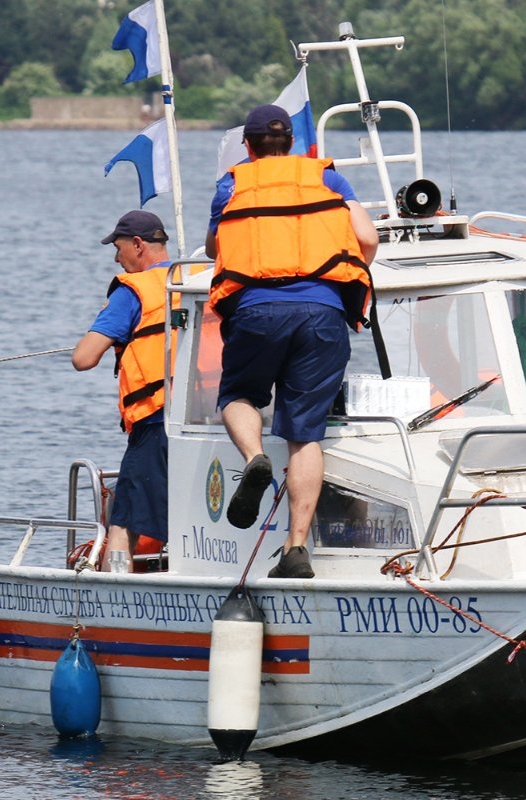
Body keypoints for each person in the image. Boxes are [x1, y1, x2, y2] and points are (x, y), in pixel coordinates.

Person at [204, 105, 379, 578]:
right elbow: (366, 238)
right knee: (305, 434)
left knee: (238, 395)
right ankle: (297, 548)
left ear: (249, 145)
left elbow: (214, 248)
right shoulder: (328, 178)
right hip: (322, 311)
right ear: (293, 143)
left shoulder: (232, 184)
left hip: (256, 310)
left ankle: (255, 458)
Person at [72, 211, 173, 573]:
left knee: (124, 517)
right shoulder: (198, 279)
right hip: (211, 419)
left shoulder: (133, 290)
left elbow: (83, 359)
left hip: (156, 420)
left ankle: (114, 592)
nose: (117, 259)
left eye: (118, 248)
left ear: (138, 245)